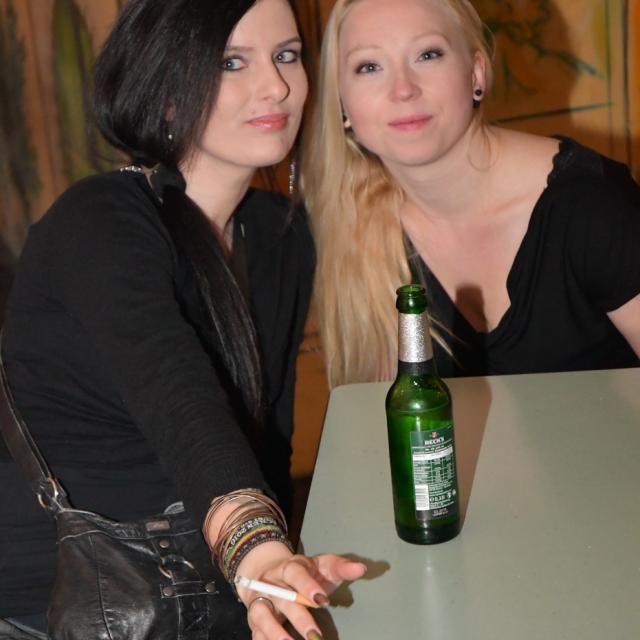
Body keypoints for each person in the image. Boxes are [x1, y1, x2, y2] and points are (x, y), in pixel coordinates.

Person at [0, 0, 365, 638]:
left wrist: (274, 574)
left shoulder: (279, 238)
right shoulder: (101, 220)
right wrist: (255, 549)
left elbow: (267, 445)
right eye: (231, 62)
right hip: (58, 601)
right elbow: (179, 398)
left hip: (201, 586)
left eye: (286, 56)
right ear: (166, 94)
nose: (276, 86)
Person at [302, 0, 640, 387]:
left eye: (428, 54)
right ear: (341, 103)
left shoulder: (593, 205)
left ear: (476, 72)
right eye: (369, 67)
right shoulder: (357, 225)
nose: (403, 89)